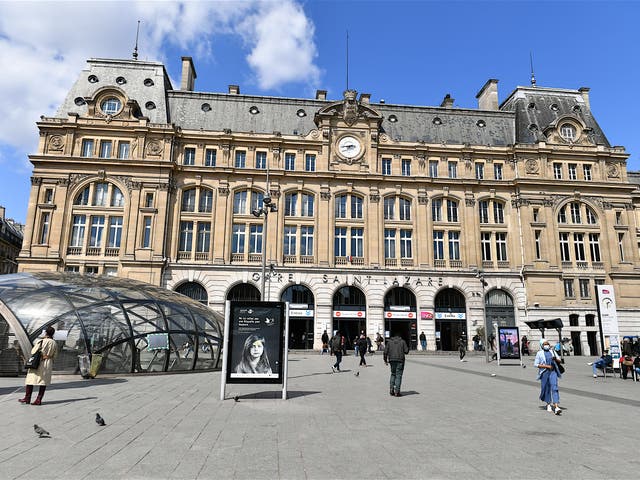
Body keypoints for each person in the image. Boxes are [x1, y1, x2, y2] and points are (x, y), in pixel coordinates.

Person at [19, 326, 58, 406]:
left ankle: (27, 398)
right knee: (43, 382)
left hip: (37, 362)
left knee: (30, 380)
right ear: (53, 334)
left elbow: (33, 351)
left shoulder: (41, 341)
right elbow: (55, 355)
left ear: (46, 332)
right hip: (47, 363)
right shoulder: (54, 343)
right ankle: (38, 400)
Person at [533, 338, 562, 415]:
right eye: (545, 344)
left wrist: (555, 359)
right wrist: (546, 366)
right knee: (546, 388)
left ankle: (556, 406)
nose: (547, 345)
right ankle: (548, 404)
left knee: (554, 387)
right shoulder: (539, 353)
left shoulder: (552, 351)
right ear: (542, 346)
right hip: (544, 373)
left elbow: (560, 360)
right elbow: (536, 364)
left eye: (547, 344)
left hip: (553, 372)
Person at [383, 332, 409, 397]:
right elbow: (406, 351)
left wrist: (385, 360)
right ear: (400, 336)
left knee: (393, 374)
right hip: (400, 360)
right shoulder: (403, 341)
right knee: (398, 375)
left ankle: (391, 390)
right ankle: (397, 392)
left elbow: (385, 352)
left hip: (391, 360)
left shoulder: (389, 342)